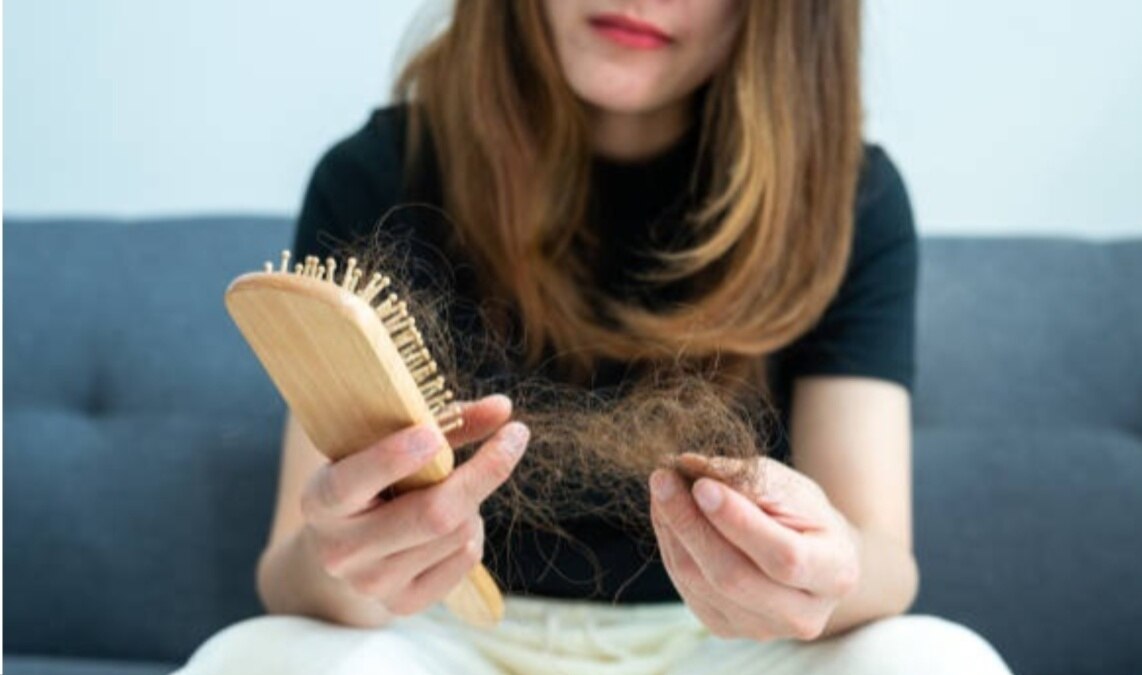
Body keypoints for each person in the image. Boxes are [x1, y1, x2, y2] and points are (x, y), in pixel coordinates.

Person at [178, 1, 1012, 673]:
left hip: (732, 646)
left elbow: (887, 563)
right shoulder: (374, 175)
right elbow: (286, 567)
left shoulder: (848, 199)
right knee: (251, 660)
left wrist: (826, 570)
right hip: (437, 637)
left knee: (938, 659)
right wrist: (347, 560)